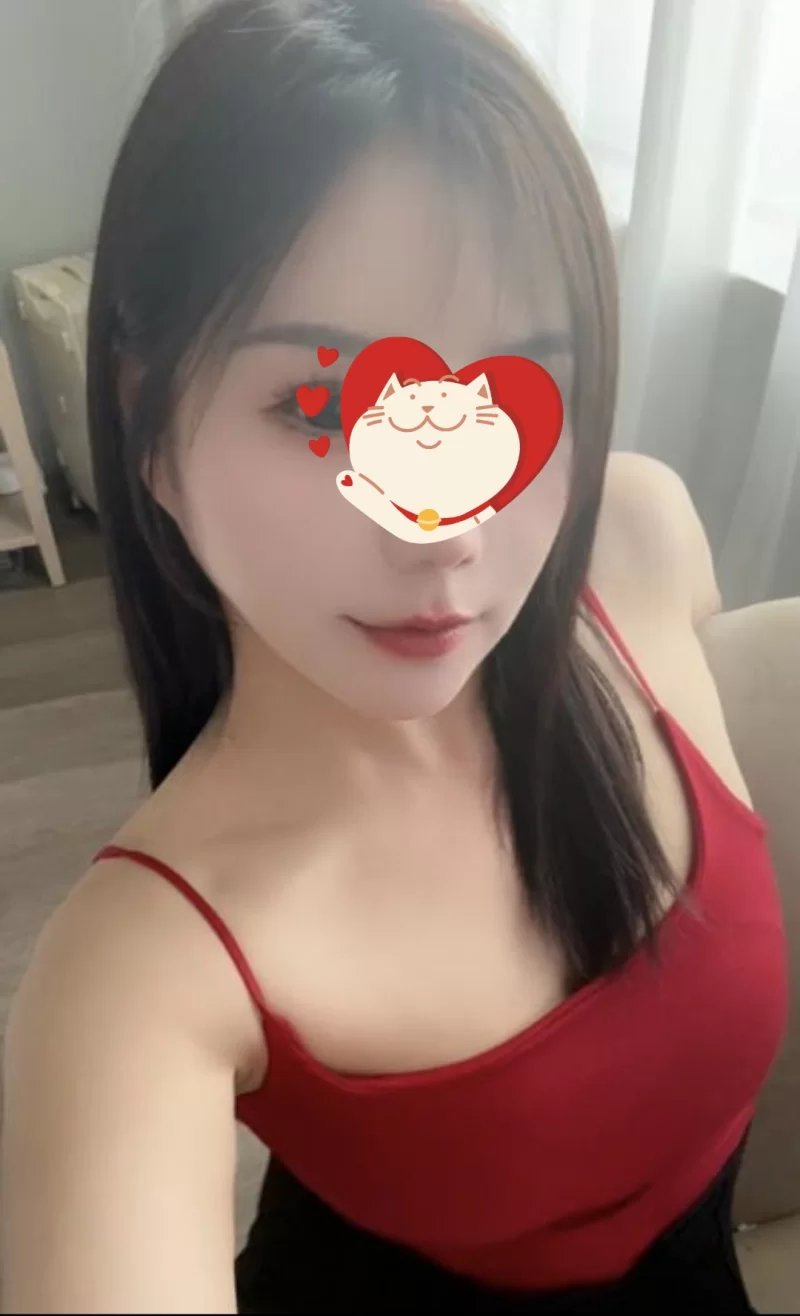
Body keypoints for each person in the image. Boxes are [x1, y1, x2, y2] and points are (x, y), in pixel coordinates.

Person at [0, 1, 789, 1312]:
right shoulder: (139, 975)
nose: (448, 529)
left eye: (512, 393)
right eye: (320, 404)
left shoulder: (637, 538)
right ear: (149, 429)